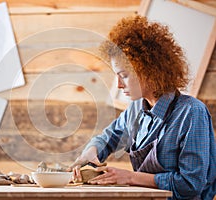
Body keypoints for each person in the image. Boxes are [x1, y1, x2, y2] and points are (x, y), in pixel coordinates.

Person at [69, 15, 216, 200]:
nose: (119, 85)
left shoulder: (192, 113)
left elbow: (191, 184)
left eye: (124, 75)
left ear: (150, 70)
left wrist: (130, 177)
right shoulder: (136, 108)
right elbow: (110, 137)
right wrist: (91, 152)